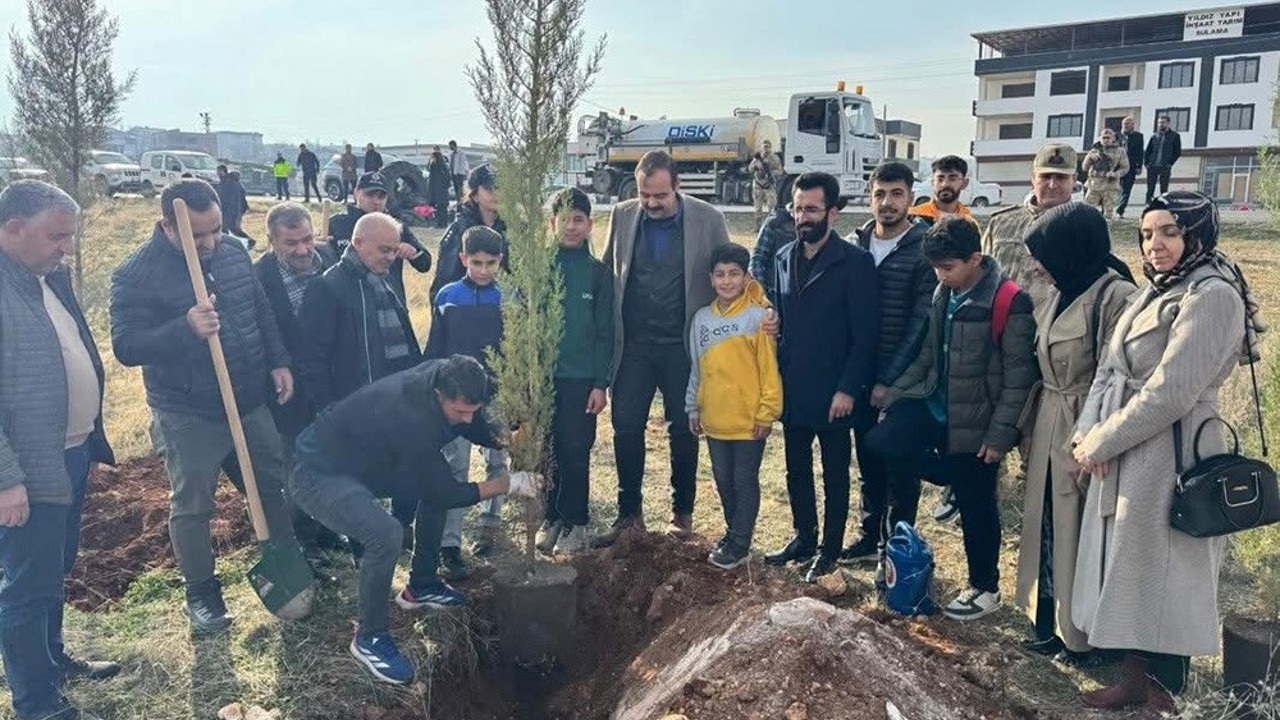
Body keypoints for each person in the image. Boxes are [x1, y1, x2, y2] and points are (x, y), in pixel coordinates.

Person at [1071, 192, 1260, 717]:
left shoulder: (1213, 295)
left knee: (1166, 568)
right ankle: (1133, 678)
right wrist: (1087, 434)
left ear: (1197, 234)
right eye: (1148, 233)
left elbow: (1171, 393)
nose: (1155, 245)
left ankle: (1164, 692)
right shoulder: (1156, 290)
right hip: (1128, 443)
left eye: (1170, 232)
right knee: (1126, 562)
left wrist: (1103, 441)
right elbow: (1110, 369)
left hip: (1174, 450)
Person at [110, 179, 297, 633]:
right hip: (189, 412)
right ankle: (202, 595)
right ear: (167, 226)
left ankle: (289, 569)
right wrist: (185, 327)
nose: (211, 242)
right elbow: (126, 346)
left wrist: (278, 362)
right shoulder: (136, 274)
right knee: (194, 505)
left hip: (249, 399)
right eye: (198, 235)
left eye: (215, 229)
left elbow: (260, 308)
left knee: (272, 484)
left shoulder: (233, 252)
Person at [289, 356, 541, 685]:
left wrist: (507, 438)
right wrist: (508, 483)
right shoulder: (408, 415)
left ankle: (421, 585)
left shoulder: (450, 375)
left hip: (366, 461)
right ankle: (370, 638)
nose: (467, 421)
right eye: (459, 412)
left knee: (433, 484)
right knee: (386, 533)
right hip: (317, 472)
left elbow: (471, 426)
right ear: (438, 395)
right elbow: (446, 493)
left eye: (473, 411)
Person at [870, 216, 1039, 621]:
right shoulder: (943, 293)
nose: (940, 276)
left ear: (975, 259)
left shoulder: (1008, 301)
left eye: (947, 268)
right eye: (935, 268)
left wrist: (1000, 436)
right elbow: (929, 357)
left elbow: (1019, 378)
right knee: (882, 444)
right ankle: (901, 544)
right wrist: (893, 394)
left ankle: (985, 587)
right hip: (933, 404)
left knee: (977, 502)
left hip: (977, 423)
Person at [0, 181, 119, 720]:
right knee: (26, 586)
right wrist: (6, 479)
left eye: (70, 236)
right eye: (57, 236)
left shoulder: (48, 278)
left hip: (71, 452)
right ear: (13, 229)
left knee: (53, 569)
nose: (66, 247)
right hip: (27, 467)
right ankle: (36, 703)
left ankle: (53, 661)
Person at [1013, 202, 1136, 667]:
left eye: (1041, 253)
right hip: (1049, 419)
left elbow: (1116, 374)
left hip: (1087, 423)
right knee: (1045, 522)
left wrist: (1098, 438)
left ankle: (1085, 638)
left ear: (1070, 248)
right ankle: (1047, 621)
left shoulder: (1114, 296)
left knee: (1081, 529)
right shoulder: (1060, 289)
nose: (1035, 265)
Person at [594, 150, 732, 546]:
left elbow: (731, 275)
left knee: (683, 431)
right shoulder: (622, 215)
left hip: (681, 346)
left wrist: (759, 314)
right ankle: (628, 516)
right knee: (625, 429)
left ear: (678, 186)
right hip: (633, 346)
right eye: (644, 195)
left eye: (659, 196)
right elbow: (607, 272)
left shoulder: (709, 219)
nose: (651, 204)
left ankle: (681, 513)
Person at [764, 171, 878, 583]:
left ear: (832, 211)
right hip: (793, 386)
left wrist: (848, 388)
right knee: (796, 469)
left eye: (811, 208)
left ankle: (829, 550)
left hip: (835, 390)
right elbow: (782, 316)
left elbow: (866, 335)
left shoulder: (855, 263)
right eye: (797, 208)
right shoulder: (781, 257)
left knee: (834, 472)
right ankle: (803, 537)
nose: (802, 216)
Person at [840, 162, 937, 575]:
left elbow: (919, 323)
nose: (887, 203)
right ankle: (868, 535)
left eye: (896, 194)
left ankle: (896, 547)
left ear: (911, 198)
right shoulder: (855, 244)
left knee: (899, 465)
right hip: (858, 372)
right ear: (870, 194)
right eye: (880, 193)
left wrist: (889, 382)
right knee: (867, 458)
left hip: (903, 380)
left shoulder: (924, 249)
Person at [251, 202, 341, 556]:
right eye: (291, 243)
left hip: (331, 383)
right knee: (298, 464)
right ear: (272, 241)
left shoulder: (331, 260)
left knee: (333, 459)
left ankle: (331, 528)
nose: (303, 250)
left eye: (307, 239)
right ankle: (305, 538)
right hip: (289, 389)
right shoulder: (259, 278)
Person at [686, 243, 781, 569]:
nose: (727, 281)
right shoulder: (701, 319)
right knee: (723, 479)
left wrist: (767, 412)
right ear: (711, 279)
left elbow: (769, 371)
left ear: (745, 277)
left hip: (748, 421)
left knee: (744, 479)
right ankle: (733, 533)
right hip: (714, 419)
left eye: (734, 274)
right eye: (720, 275)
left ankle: (740, 543)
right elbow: (696, 368)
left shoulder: (759, 319)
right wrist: (693, 408)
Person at [423, 226, 508, 576]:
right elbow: (436, 348)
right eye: (477, 262)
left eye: (491, 263)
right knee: (455, 467)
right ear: (463, 260)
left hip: (497, 396)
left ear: (500, 262)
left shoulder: (509, 298)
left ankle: (490, 523)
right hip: (455, 400)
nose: (484, 270)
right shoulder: (447, 296)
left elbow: (515, 352)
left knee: (497, 460)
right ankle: (449, 544)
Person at [534, 188, 614, 556]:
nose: (570, 226)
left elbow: (605, 332)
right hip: (543, 380)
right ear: (551, 223)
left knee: (575, 449)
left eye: (578, 219)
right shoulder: (537, 269)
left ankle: (577, 522)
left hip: (581, 380)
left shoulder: (598, 274)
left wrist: (601, 383)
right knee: (547, 451)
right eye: (563, 218)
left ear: (589, 224)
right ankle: (552, 517)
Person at [298, 212, 422, 417]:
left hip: (394, 401)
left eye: (394, 250)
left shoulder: (386, 278)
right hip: (352, 410)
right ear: (358, 243)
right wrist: (329, 412)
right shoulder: (327, 286)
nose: (391, 258)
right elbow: (313, 360)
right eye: (384, 250)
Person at [981, 143, 1078, 311]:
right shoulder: (1001, 222)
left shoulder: (1087, 227)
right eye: (1045, 176)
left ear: (1074, 180)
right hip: (1005, 320)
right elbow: (981, 275)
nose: (1052, 184)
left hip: (1060, 324)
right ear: (1033, 178)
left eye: (1061, 177)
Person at [327, 171, 432, 305]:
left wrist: (413, 253)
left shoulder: (396, 227)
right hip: (350, 303)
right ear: (356, 193)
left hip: (390, 303)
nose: (376, 201)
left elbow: (425, 264)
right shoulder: (337, 224)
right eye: (370, 194)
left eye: (381, 196)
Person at [430, 164, 508, 305]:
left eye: (500, 188)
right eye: (488, 189)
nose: (496, 194)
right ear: (475, 195)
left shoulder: (513, 229)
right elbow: (445, 280)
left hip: (504, 311)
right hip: (465, 310)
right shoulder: (460, 230)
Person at [908, 155, 979, 228]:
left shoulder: (968, 221)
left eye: (952, 179)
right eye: (940, 179)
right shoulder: (914, 217)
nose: (945, 184)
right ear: (932, 182)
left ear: (964, 183)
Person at [1082, 129, 1129, 220]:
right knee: (1086, 211)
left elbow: (1125, 167)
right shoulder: (1094, 150)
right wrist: (1090, 159)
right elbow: (1084, 168)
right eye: (1103, 138)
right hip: (1094, 185)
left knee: (1109, 214)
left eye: (1108, 138)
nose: (1106, 140)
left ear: (1113, 138)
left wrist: (1116, 173)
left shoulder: (1120, 151)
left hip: (1110, 185)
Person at [1143, 115, 1182, 204]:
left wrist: (1170, 163)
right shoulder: (1155, 136)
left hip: (1165, 166)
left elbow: (1177, 152)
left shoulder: (1175, 136)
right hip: (1152, 166)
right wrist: (1146, 163)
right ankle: (1148, 204)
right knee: (1150, 188)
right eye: (1159, 123)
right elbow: (1148, 151)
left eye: (1163, 122)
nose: (1161, 125)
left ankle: (1163, 205)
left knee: (1164, 188)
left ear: (1168, 123)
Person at [215, 164, 253, 248]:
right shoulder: (225, 182)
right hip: (230, 209)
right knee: (230, 229)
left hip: (232, 209)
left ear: (224, 171)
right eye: (217, 171)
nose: (218, 173)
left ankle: (249, 241)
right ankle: (226, 245)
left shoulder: (229, 182)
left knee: (231, 228)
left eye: (219, 171)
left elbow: (230, 198)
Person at [748, 139, 783, 230]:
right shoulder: (757, 158)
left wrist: (770, 173)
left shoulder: (774, 158)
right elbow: (750, 169)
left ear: (770, 148)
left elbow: (780, 171)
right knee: (757, 207)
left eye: (767, 147)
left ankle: (771, 226)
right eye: (764, 147)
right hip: (758, 185)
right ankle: (758, 226)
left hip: (769, 185)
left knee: (771, 206)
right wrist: (756, 166)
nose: (765, 149)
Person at [1116, 116, 1144, 218]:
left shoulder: (1139, 137)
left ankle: (1120, 210)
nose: (1125, 126)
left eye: (1128, 124)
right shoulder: (1116, 136)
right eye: (1124, 124)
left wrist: (1139, 166)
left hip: (1131, 167)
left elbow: (1140, 152)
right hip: (1117, 167)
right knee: (1114, 188)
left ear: (1132, 125)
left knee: (1126, 190)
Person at [427, 146, 451, 229]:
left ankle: (439, 223)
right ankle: (442, 223)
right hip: (440, 189)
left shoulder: (434, 163)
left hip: (436, 189)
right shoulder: (442, 164)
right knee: (441, 207)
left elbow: (431, 177)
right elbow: (447, 177)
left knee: (438, 207)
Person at [448, 140, 470, 211]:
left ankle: (461, 207)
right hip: (454, 174)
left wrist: (459, 173)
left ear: (453, 145)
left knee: (460, 191)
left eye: (450, 146)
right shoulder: (452, 154)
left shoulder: (461, 153)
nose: (450, 148)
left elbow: (462, 163)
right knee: (457, 191)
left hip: (459, 174)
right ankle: (459, 206)